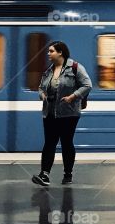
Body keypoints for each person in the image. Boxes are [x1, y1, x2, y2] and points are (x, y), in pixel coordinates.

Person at [32, 41, 92, 187]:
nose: (48, 53)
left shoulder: (75, 68)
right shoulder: (49, 70)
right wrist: (42, 95)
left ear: (60, 52)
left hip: (69, 113)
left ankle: (68, 174)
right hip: (50, 112)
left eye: (51, 51)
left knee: (66, 142)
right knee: (49, 143)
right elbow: (40, 87)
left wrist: (72, 97)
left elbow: (87, 85)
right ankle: (44, 174)